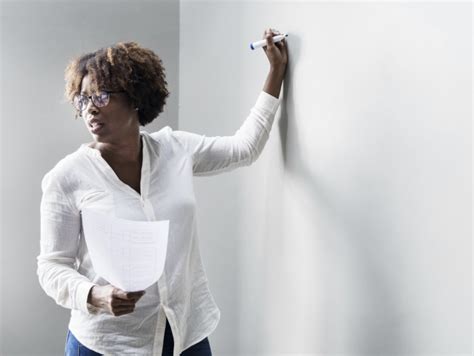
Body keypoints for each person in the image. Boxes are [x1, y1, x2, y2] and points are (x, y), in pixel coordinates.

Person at [37, 28, 288, 356]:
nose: (89, 109)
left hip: (186, 335)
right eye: (82, 99)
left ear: (135, 96)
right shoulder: (67, 177)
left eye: (100, 96)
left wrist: (276, 73)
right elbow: (52, 266)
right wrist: (94, 296)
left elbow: (244, 149)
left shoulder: (175, 149)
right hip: (107, 344)